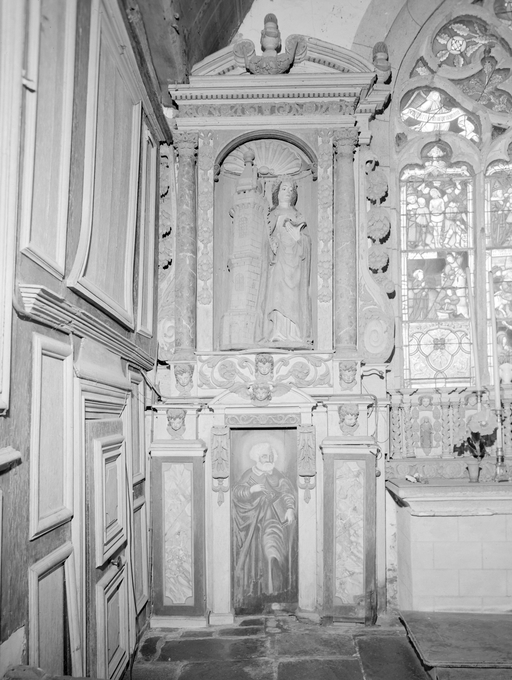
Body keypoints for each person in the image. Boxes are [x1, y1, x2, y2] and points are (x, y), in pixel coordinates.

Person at [232, 442, 297, 611]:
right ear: (257, 458)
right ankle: (257, 596)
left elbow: (287, 491)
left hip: (274, 523)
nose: (267, 459)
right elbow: (236, 493)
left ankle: (275, 595)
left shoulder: (277, 475)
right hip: (254, 525)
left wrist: (290, 508)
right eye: (264, 456)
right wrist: (251, 490)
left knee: (273, 555)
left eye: (270, 455)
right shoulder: (249, 475)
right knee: (257, 560)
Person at [256, 178, 312, 346]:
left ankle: (293, 334)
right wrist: (271, 244)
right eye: (284, 188)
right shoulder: (271, 215)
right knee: (277, 294)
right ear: (277, 192)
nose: (287, 192)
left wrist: (299, 238)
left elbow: (306, 241)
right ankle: (277, 332)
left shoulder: (297, 215)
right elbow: (264, 239)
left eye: (290, 189)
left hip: (294, 262)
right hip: (278, 261)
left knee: (293, 299)